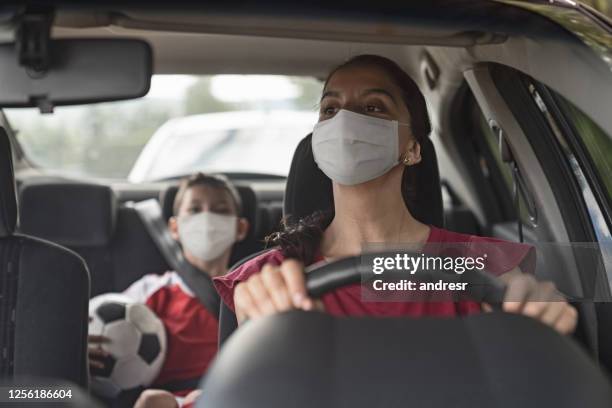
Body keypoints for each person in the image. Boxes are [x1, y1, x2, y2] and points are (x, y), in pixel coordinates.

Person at [214, 54, 577, 334]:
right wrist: (258, 314)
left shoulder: (471, 259)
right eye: (330, 109)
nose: (344, 121)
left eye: (373, 107)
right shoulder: (270, 278)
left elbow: (535, 292)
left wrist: (541, 305)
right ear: (318, 139)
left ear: (413, 149)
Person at [88, 173, 249, 408]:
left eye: (220, 210)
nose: (207, 218)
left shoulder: (252, 289)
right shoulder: (150, 291)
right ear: (174, 227)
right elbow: (95, 330)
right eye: (195, 210)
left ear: (240, 228)